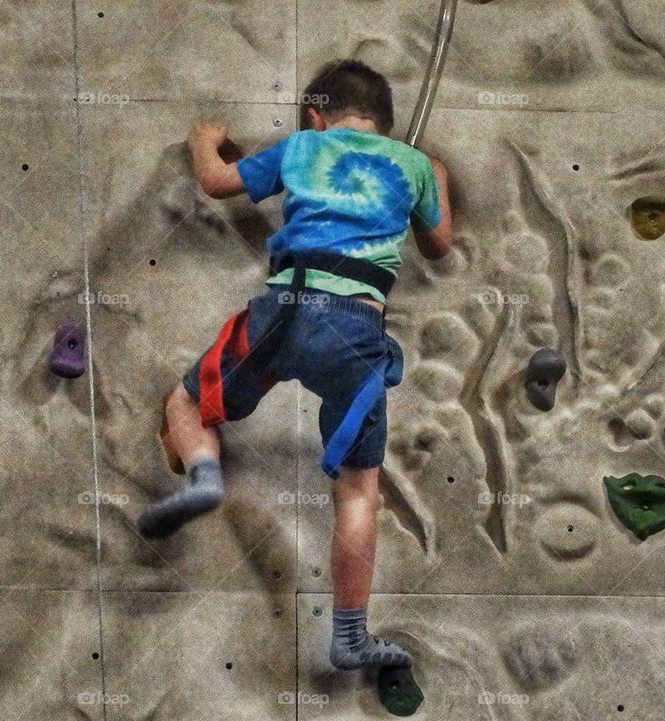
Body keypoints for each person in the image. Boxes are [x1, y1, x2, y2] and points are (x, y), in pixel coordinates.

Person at [137, 59, 452, 670]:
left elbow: (216, 182)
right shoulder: (413, 166)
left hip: (285, 308)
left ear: (315, 115)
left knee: (185, 401)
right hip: (359, 330)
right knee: (358, 492)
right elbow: (440, 245)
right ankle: (351, 635)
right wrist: (430, 179)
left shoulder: (303, 146)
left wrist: (205, 141)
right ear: (384, 124)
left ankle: (204, 475)